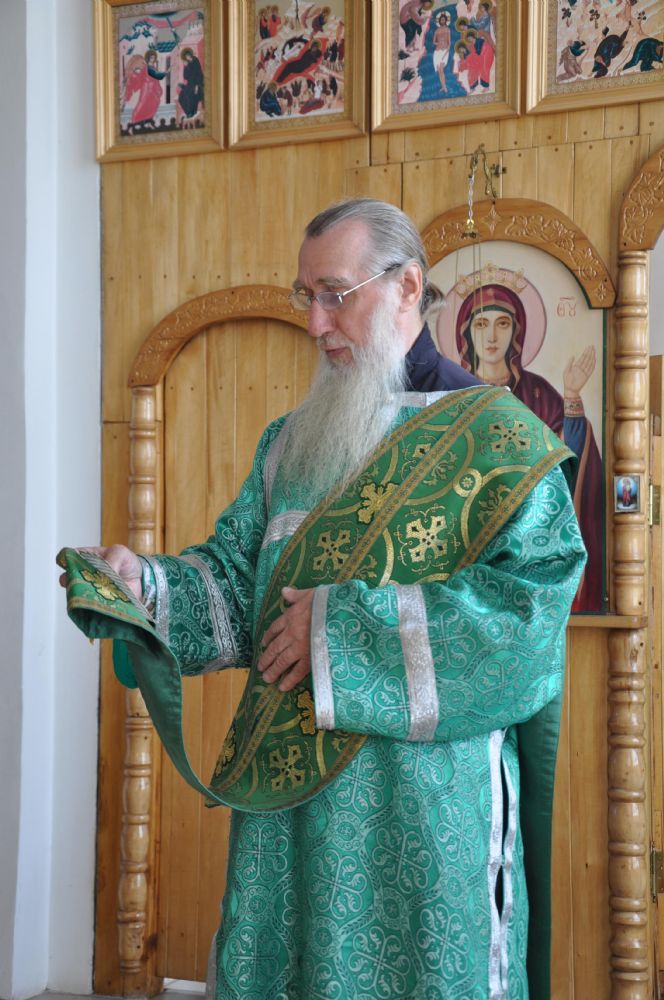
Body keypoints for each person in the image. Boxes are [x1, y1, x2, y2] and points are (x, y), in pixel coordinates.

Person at [59, 199, 585, 999]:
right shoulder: (291, 443)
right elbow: (235, 588)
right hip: (289, 816)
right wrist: (148, 587)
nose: (314, 322)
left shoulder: (501, 444)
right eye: (306, 295)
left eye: (335, 294)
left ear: (407, 286)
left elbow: (529, 619)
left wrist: (340, 629)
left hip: (426, 821)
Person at [452, 281, 602, 612]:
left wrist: (572, 398)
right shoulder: (451, 393)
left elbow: (568, 462)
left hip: (525, 533)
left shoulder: (539, 394)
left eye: (502, 324)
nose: (492, 337)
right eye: (481, 324)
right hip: (462, 533)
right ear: (466, 333)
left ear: (516, 332)